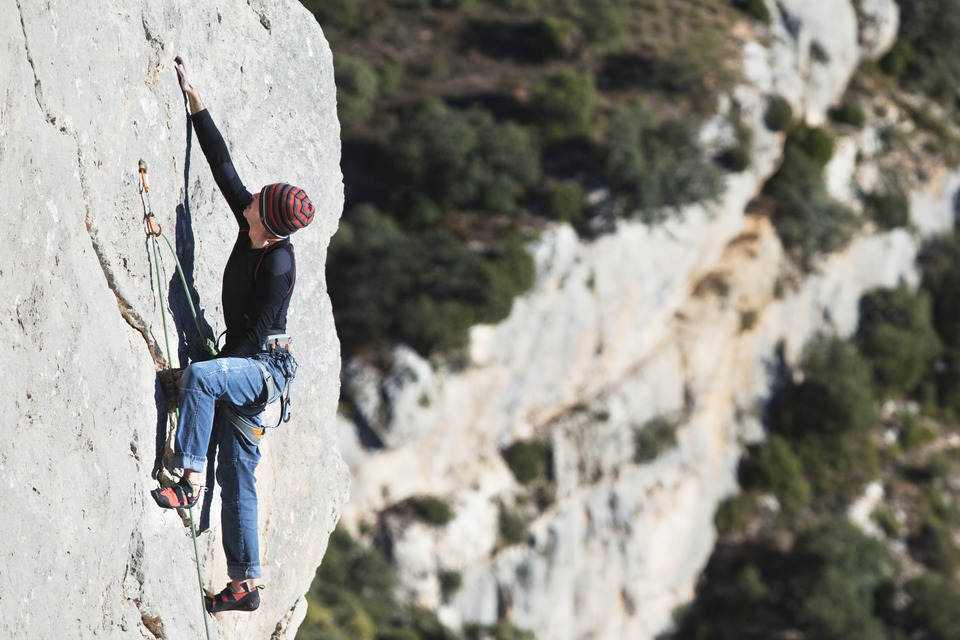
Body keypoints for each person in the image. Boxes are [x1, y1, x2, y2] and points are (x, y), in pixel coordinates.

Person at [150, 54, 315, 614]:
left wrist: (214, 374)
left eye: (254, 209)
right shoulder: (256, 222)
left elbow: (257, 338)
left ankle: (186, 478)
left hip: (265, 370)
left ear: (270, 228)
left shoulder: (279, 268)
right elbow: (222, 166)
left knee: (200, 378)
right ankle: (245, 583)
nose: (244, 207)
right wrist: (195, 99)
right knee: (239, 475)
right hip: (247, 366)